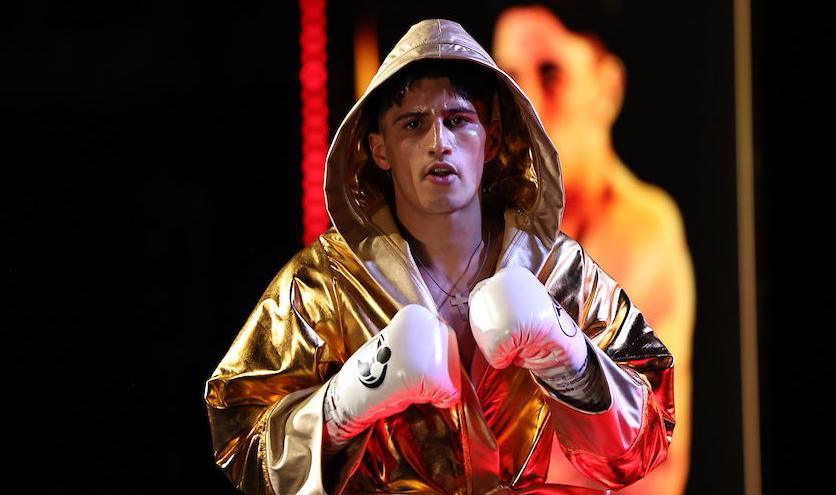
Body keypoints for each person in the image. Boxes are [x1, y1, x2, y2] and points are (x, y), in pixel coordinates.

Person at [204, 19, 675, 495]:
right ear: (379, 148)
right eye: (414, 124)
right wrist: (347, 401)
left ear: (490, 138)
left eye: (457, 120)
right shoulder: (325, 282)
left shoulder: (557, 270)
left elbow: (648, 438)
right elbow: (241, 440)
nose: (439, 142)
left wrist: (568, 354)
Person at [493, 6, 696, 494]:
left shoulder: (642, 230)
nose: (529, 104)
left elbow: (650, 460)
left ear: (607, 88)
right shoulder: (481, 220)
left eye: (551, 74)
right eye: (510, 79)